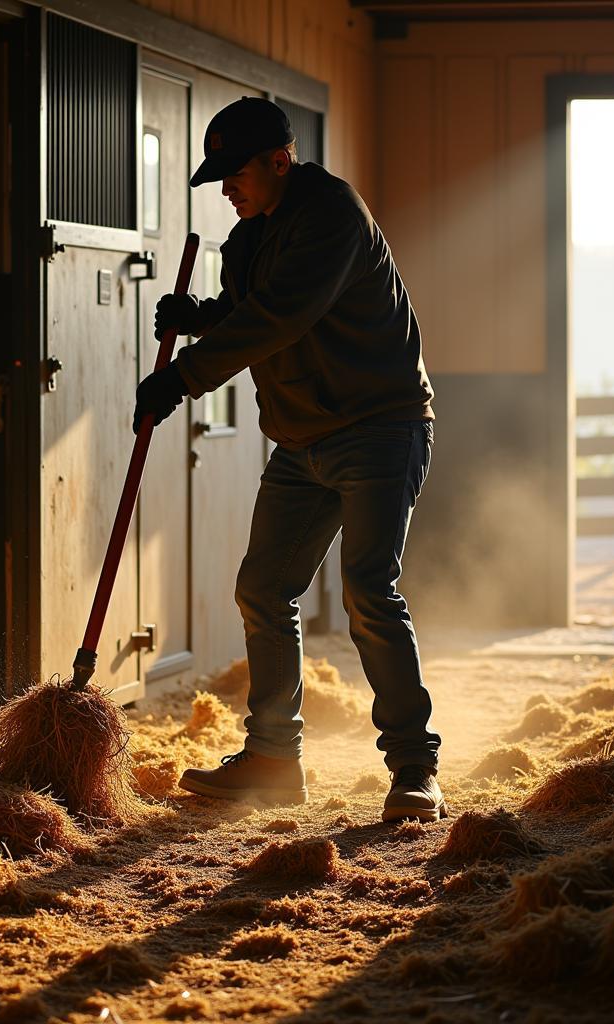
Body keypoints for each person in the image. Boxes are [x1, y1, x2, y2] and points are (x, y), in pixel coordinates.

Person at [133, 97, 444, 823]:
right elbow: (252, 309)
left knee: (368, 590)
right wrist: (201, 318)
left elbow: (284, 315)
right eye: (218, 177)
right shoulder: (246, 240)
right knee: (264, 588)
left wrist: (184, 375)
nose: (225, 189)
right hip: (302, 442)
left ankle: (414, 770)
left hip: (378, 428)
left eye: (234, 173)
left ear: (279, 161)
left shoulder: (333, 213)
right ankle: (274, 757)